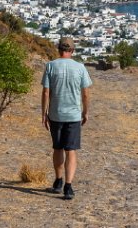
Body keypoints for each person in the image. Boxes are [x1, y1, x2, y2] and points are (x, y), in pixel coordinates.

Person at [41, 37, 92, 200]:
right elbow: (85, 93)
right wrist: (85, 112)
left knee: (57, 148)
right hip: (73, 115)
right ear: (73, 50)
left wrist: (44, 113)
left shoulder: (50, 66)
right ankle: (68, 187)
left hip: (55, 114)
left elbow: (46, 92)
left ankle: (58, 181)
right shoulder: (80, 67)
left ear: (58, 49)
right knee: (71, 150)